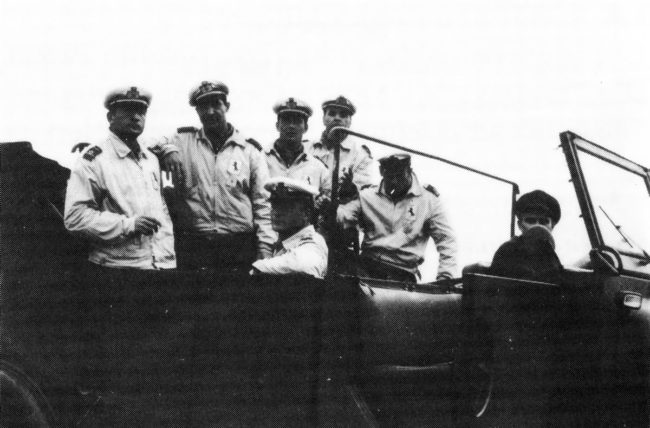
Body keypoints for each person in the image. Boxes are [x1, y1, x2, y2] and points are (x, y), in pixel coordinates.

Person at [151, 80, 273, 271]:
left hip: (239, 246)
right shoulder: (182, 141)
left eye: (216, 104)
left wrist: (265, 247)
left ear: (227, 106)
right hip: (194, 245)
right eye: (203, 106)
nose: (210, 112)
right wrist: (167, 150)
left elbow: (263, 203)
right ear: (197, 111)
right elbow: (146, 143)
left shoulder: (249, 150)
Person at [64, 86, 176, 269]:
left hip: (161, 264)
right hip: (118, 268)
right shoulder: (94, 160)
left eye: (141, 111)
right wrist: (128, 225)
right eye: (128, 110)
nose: (136, 116)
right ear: (110, 117)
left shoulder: (150, 158)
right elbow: (76, 218)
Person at [337, 153, 458, 282]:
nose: (394, 182)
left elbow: (446, 240)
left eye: (399, 176)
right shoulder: (366, 196)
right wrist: (343, 196)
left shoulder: (428, 201)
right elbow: (341, 219)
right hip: (367, 268)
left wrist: (445, 277)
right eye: (390, 177)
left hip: (403, 274)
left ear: (409, 171)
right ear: (382, 172)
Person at [251, 177, 328, 279]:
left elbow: (307, 263)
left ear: (306, 213)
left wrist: (257, 267)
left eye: (285, 207)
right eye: (274, 205)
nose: (276, 213)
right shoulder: (286, 240)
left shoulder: (314, 241)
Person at [304, 95, 375, 193]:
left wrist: (350, 188)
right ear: (324, 118)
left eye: (343, 115)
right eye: (332, 114)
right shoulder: (306, 148)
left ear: (349, 122)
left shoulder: (361, 155)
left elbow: (363, 191)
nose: (337, 118)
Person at [265, 97, 331, 201]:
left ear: (305, 127)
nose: (291, 126)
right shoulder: (260, 160)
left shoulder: (318, 168)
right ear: (277, 125)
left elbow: (329, 201)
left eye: (297, 121)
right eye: (286, 120)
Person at [490, 189, 563, 283]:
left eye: (543, 221)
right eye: (531, 221)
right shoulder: (508, 251)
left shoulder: (549, 253)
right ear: (520, 225)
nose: (537, 226)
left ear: (552, 226)